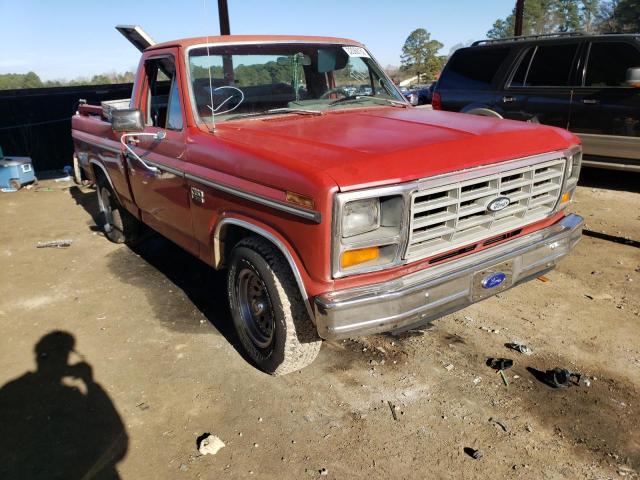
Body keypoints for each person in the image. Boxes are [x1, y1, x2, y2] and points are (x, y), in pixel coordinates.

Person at [0, 331, 128, 479]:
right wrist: (91, 384)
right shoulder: (70, 396)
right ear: (65, 358)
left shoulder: (11, 390)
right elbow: (116, 437)